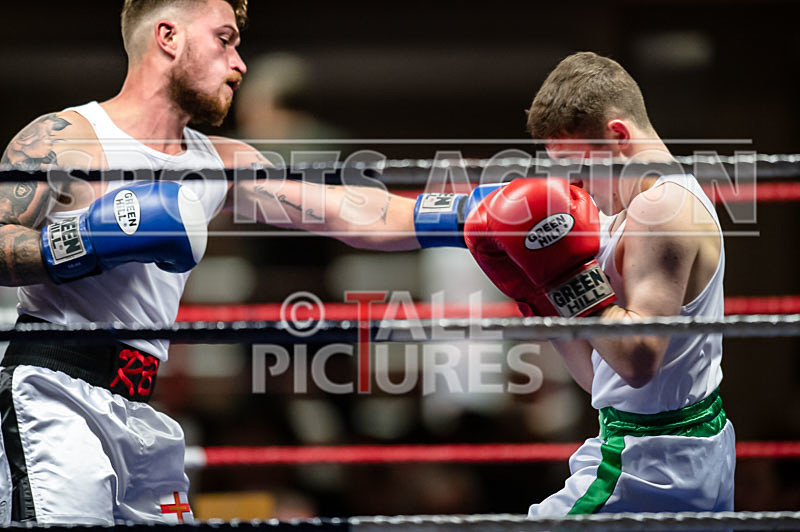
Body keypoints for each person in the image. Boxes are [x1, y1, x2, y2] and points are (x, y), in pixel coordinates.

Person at [0, 0, 431, 525]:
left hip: (140, 408)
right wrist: (88, 240)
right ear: (168, 36)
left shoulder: (219, 162)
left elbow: (352, 212)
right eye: (225, 39)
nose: (239, 63)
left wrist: (469, 216)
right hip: (54, 392)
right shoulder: (67, 138)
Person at [464, 51, 734, 515]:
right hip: (664, 447)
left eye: (582, 166)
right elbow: (603, 380)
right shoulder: (635, 212)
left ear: (618, 135)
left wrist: (565, 276)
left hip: (648, 461)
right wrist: (538, 297)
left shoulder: (661, 208)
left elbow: (638, 359)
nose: (578, 184)